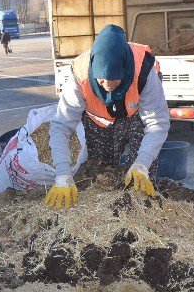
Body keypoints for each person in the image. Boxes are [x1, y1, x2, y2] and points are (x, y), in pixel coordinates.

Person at [46, 24, 170, 209]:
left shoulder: (143, 71)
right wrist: (63, 175)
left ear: (125, 69)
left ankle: (140, 211)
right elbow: (62, 126)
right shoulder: (80, 74)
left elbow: (157, 122)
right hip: (98, 121)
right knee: (99, 169)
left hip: (136, 117)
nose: (107, 85)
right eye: (101, 78)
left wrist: (142, 163)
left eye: (114, 78)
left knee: (140, 174)